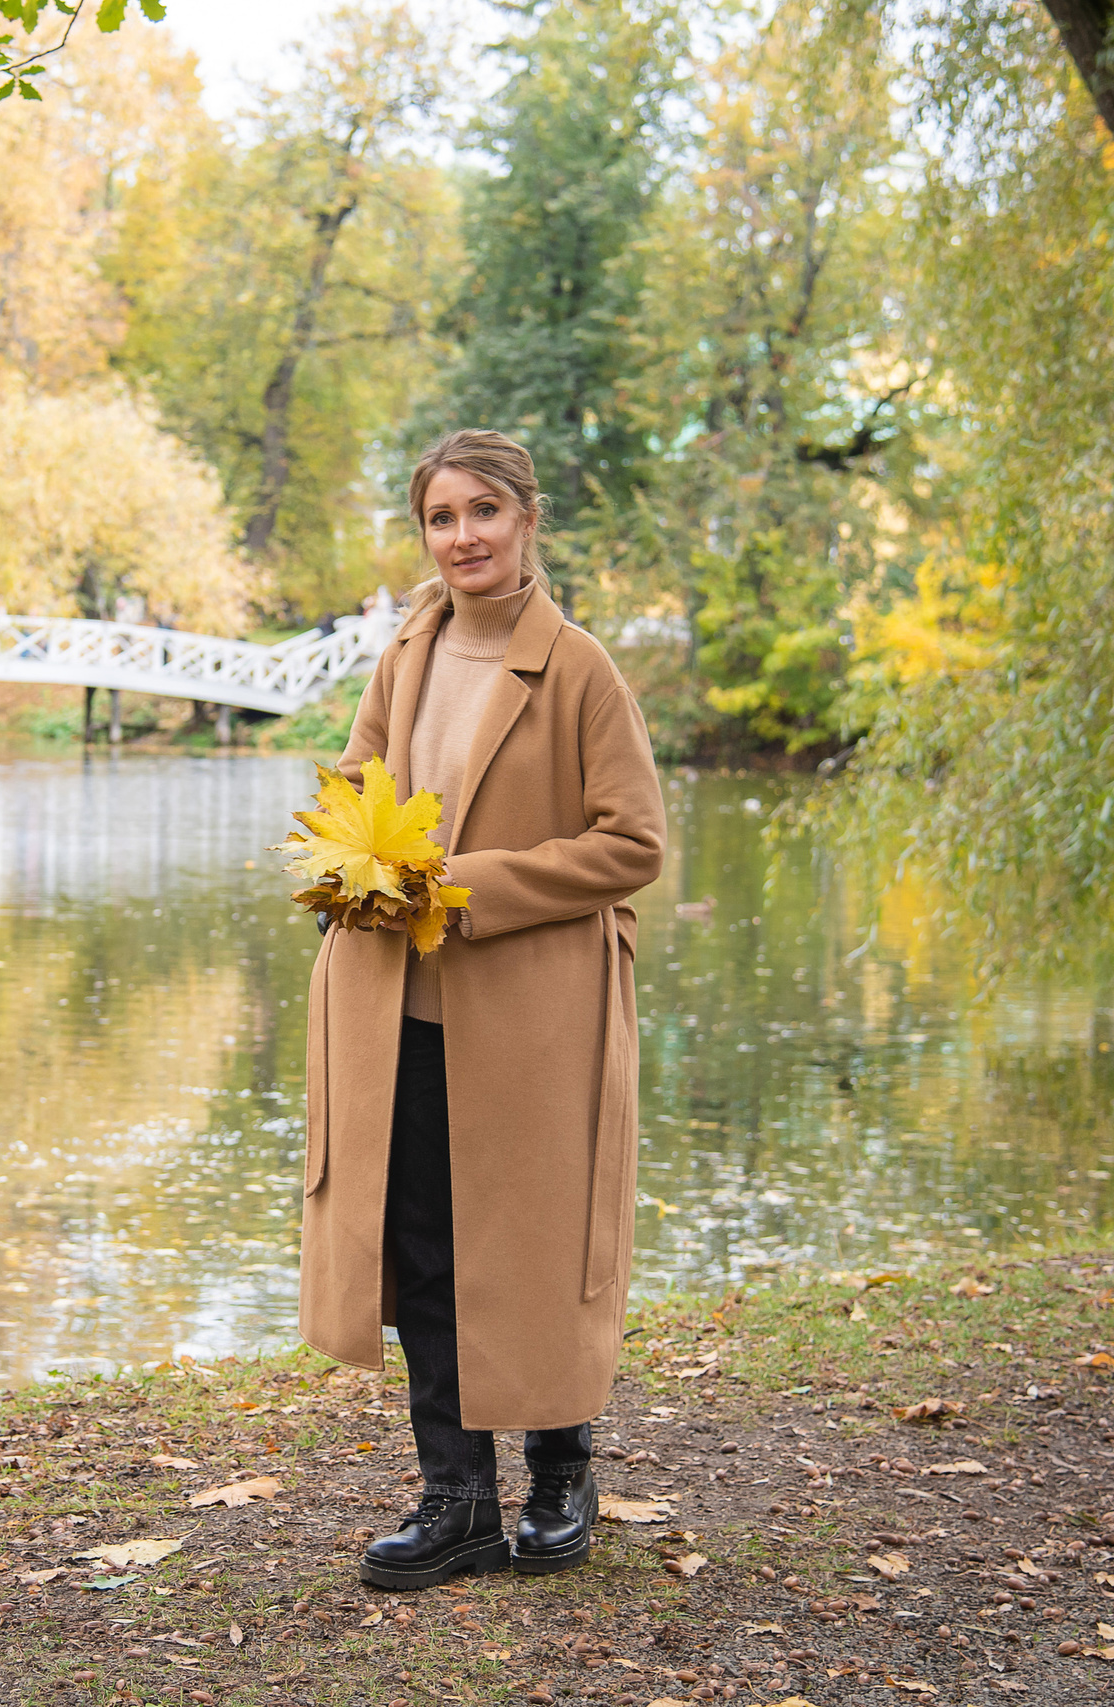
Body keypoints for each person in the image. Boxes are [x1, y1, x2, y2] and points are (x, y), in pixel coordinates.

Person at [296, 429, 667, 1590]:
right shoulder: (406, 649)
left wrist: (468, 892)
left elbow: (633, 843)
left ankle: (562, 1474)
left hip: (533, 1012)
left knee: (533, 1244)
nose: (461, 538)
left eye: (481, 513)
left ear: (526, 521)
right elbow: (359, 778)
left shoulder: (581, 670)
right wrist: (346, 858)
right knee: (420, 1245)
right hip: (397, 1002)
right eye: (440, 519)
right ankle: (454, 1497)